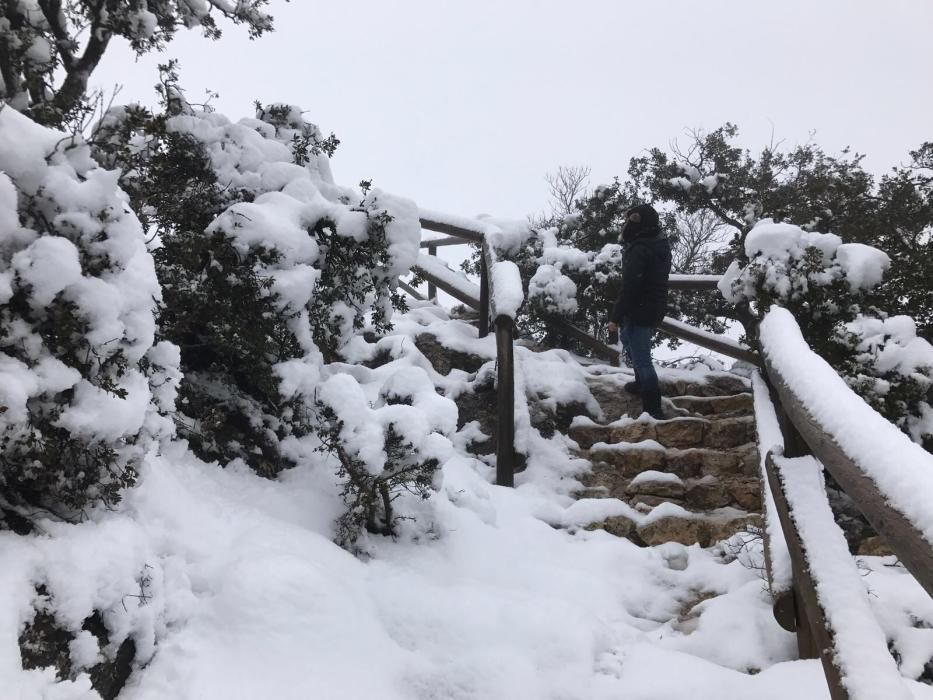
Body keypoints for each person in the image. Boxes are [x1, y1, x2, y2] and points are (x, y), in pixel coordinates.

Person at [608, 203, 672, 420]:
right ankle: (639, 382)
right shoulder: (658, 243)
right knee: (628, 338)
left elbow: (631, 286)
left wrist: (615, 317)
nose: (625, 224)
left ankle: (653, 408)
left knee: (642, 357)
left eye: (629, 220)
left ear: (637, 223)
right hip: (654, 303)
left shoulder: (639, 249)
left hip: (640, 307)